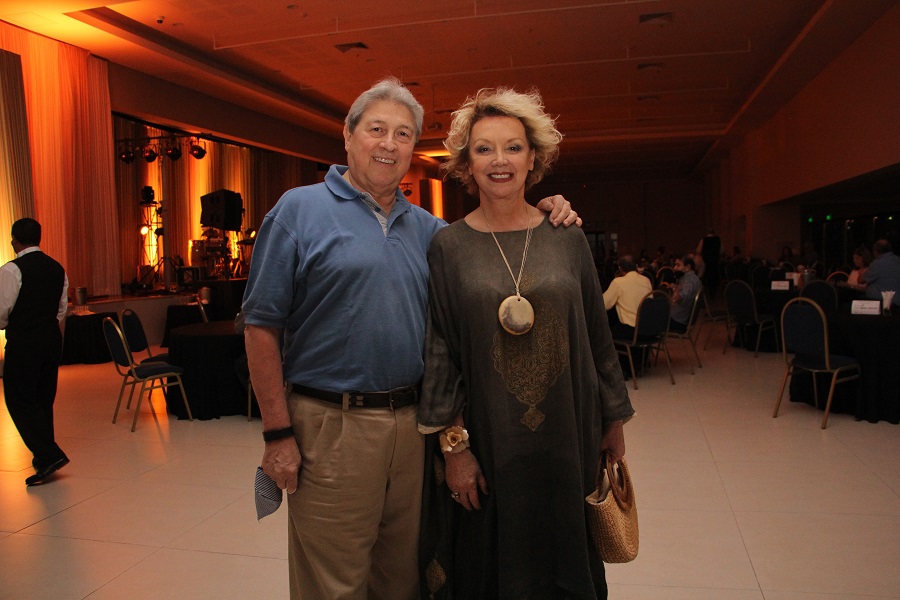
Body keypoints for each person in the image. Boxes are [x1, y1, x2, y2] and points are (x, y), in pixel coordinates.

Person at [240, 78, 579, 600]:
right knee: (333, 584)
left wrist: (549, 210)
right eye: (376, 129)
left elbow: (486, 267)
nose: (389, 144)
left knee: (404, 580)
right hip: (332, 425)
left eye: (403, 134)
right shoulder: (297, 210)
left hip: (414, 429)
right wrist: (277, 434)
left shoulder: (430, 232)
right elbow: (261, 326)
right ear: (348, 135)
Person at [417, 87, 634, 599]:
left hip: (569, 432)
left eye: (513, 147)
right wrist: (454, 449)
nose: (500, 160)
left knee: (565, 560)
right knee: (493, 565)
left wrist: (614, 421)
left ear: (533, 157)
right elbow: (441, 353)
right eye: (484, 149)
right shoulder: (449, 246)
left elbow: (597, 338)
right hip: (490, 439)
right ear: (467, 163)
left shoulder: (566, 236)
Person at [0, 218, 69, 486]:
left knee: (18, 399)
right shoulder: (57, 268)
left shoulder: (11, 270)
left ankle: (49, 454)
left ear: (14, 240)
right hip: (51, 340)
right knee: (43, 399)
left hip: (25, 341)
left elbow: (2, 312)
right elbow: (61, 309)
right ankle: (44, 458)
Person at [602, 255, 652, 339]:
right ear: (636, 266)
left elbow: (604, 305)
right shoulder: (646, 280)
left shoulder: (618, 282)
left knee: (602, 331)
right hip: (648, 328)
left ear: (620, 268)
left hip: (631, 330)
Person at [663, 255, 701, 333]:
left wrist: (677, 295)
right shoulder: (688, 278)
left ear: (687, 267)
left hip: (677, 321)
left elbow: (683, 295)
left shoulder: (690, 280)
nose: (675, 268)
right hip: (677, 318)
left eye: (678, 265)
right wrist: (676, 287)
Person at [860, 239, 900, 307]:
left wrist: (862, 271)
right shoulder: (898, 260)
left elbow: (860, 280)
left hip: (881, 304)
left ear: (876, 252)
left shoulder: (878, 263)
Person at [697, 229, 722, 298]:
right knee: (714, 279)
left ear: (707, 233)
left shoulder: (704, 240)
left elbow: (698, 250)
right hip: (715, 264)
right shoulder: (718, 240)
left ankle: (705, 294)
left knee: (706, 278)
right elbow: (721, 251)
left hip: (707, 263)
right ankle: (713, 294)